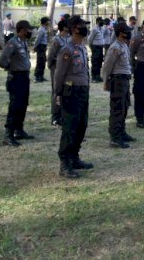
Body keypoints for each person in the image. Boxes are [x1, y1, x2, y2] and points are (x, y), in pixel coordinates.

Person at [53, 16, 93, 178]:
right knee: (70, 127)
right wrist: (58, 93)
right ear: (73, 29)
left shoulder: (82, 48)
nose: (85, 28)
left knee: (81, 125)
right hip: (71, 92)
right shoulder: (67, 50)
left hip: (83, 91)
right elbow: (59, 74)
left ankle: (74, 157)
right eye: (81, 26)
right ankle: (65, 164)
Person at [0, 20, 33, 146]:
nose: (30, 32)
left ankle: (19, 130)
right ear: (22, 30)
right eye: (28, 30)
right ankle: (8, 135)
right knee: (15, 106)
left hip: (24, 77)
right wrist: (10, 67)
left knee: (23, 104)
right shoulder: (12, 42)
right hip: (16, 78)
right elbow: (2, 60)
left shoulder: (23, 42)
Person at [101, 22, 135, 148]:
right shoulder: (115, 47)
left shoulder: (124, 45)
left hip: (125, 80)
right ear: (121, 33)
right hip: (118, 80)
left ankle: (122, 132)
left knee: (125, 107)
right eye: (126, 31)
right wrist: (105, 81)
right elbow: (107, 66)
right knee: (117, 109)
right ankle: (115, 137)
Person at [47, 19, 70, 126]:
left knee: (66, 91)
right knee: (57, 92)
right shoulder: (56, 40)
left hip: (67, 70)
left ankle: (63, 115)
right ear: (64, 27)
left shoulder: (69, 39)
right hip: (56, 69)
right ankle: (55, 117)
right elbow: (51, 56)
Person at [88, 17, 106, 82]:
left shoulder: (102, 28)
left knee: (100, 62)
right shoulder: (94, 29)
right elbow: (90, 39)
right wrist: (91, 47)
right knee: (95, 62)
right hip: (95, 47)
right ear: (98, 21)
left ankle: (98, 76)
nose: (102, 23)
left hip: (100, 47)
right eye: (101, 21)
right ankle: (94, 77)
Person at [33, 16, 51, 82]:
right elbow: (38, 40)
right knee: (40, 62)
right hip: (40, 47)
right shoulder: (41, 30)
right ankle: (36, 77)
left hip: (43, 47)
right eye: (48, 21)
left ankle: (41, 76)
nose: (49, 22)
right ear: (45, 22)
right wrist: (35, 47)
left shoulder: (44, 29)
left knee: (43, 62)